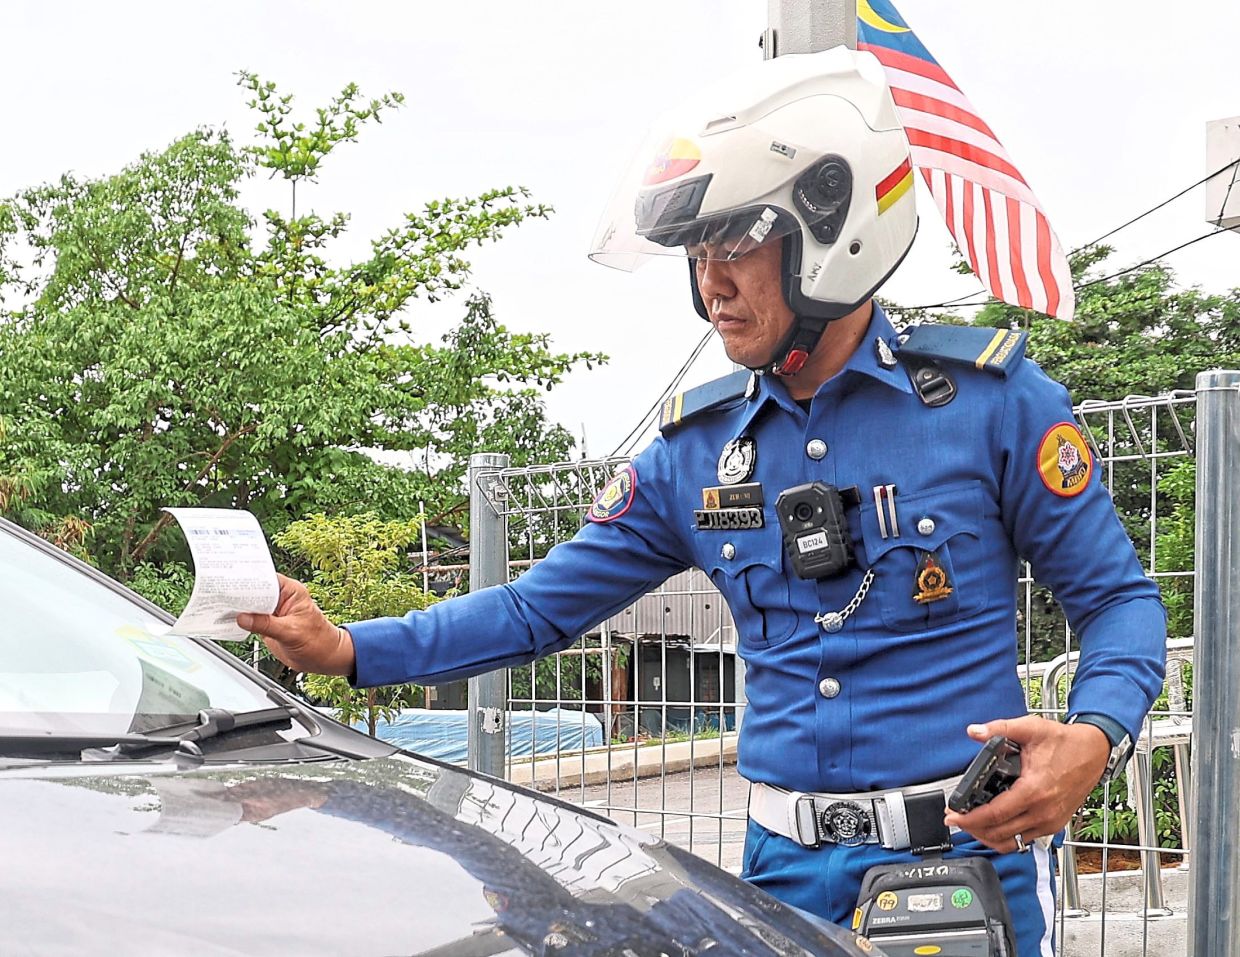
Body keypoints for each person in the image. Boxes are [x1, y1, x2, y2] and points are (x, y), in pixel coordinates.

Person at [238, 47, 1166, 956]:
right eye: (697, 251)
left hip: (967, 864)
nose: (711, 284)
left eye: (738, 245)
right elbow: (534, 610)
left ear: (832, 227)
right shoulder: (694, 454)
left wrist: (1096, 736)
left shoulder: (993, 406)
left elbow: (1119, 601)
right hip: (775, 873)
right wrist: (352, 648)